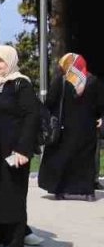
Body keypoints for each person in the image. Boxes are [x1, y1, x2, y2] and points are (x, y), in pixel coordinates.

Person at [0, 45, 41, 247]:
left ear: (10, 62)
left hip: (14, 152)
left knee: (12, 196)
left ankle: (15, 244)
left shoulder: (20, 84)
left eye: (0, 61)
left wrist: (23, 149)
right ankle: (0, 240)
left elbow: (31, 117)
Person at [39, 53, 102, 200]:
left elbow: (49, 102)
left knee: (62, 158)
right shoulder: (92, 81)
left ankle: (60, 190)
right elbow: (99, 105)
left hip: (64, 128)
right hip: (87, 129)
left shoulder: (61, 81)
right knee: (85, 160)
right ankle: (87, 192)